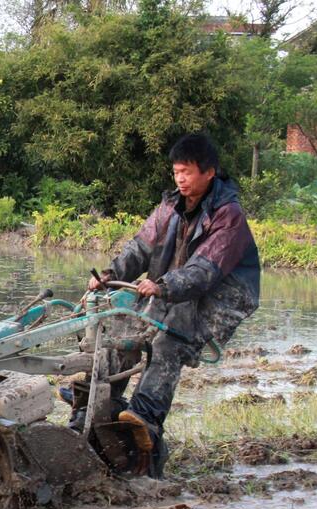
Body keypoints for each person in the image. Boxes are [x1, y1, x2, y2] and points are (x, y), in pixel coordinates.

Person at [88, 132, 260, 471]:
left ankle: (144, 416)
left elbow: (204, 270)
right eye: (176, 171)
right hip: (172, 290)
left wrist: (163, 284)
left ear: (209, 172)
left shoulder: (229, 215)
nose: (180, 179)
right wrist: (109, 274)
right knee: (122, 331)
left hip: (220, 298)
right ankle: (94, 401)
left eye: (188, 172)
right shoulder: (170, 207)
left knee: (169, 342)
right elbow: (140, 248)